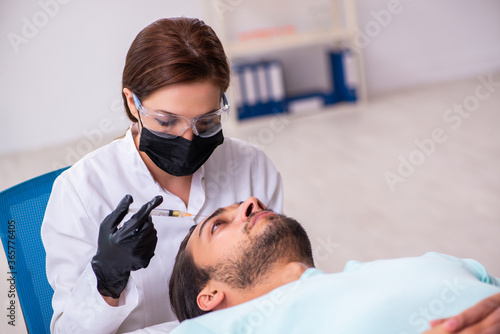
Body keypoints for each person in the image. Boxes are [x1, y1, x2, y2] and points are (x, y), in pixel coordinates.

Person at [41, 18, 283, 333]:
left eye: (206, 121)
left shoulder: (251, 166)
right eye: (167, 122)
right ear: (132, 102)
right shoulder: (82, 191)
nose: (188, 139)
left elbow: (281, 288)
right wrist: (106, 282)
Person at [166, 197, 500, 334]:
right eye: (218, 225)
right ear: (209, 295)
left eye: (244, 203)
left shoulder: (438, 263)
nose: (253, 203)